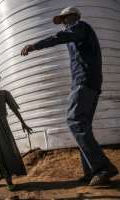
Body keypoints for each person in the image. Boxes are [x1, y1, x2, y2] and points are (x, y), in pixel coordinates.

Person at [21, 6, 118, 186]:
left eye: (65, 20)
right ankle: (92, 172)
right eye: (62, 22)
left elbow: (60, 37)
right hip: (89, 83)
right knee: (83, 126)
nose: (63, 25)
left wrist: (35, 46)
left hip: (85, 82)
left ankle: (103, 168)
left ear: (74, 17)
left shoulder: (80, 27)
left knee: (74, 121)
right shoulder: (78, 35)